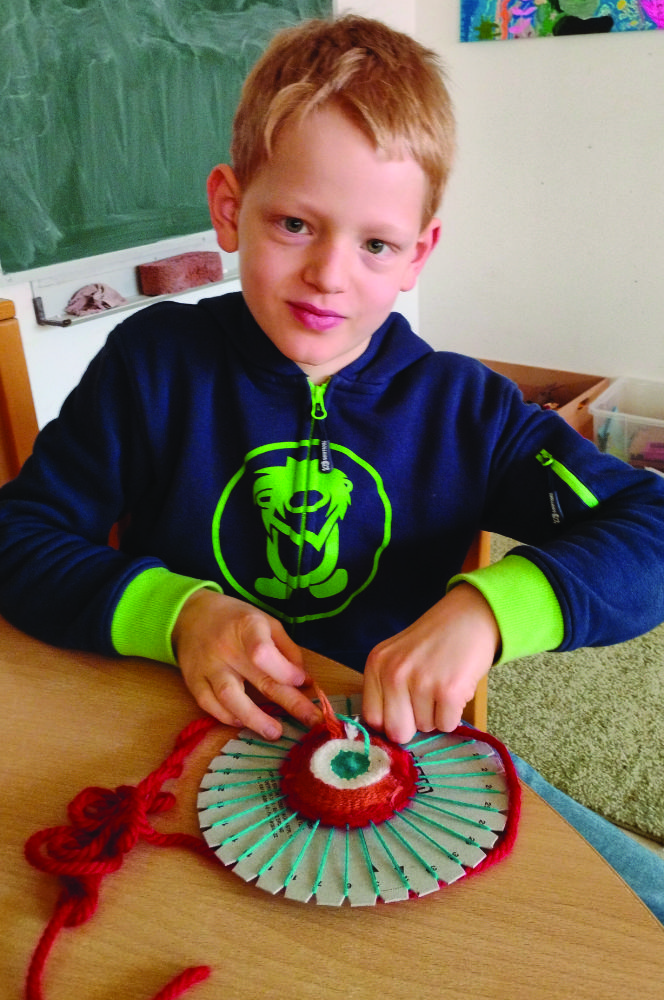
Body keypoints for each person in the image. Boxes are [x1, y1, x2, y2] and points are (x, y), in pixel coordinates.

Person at [1, 17, 664, 919]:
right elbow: (20, 536)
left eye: (375, 245)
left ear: (418, 253)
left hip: (404, 762)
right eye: (294, 224)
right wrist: (177, 613)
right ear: (230, 208)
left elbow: (651, 530)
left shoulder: (464, 409)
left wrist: (490, 609)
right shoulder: (152, 367)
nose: (328, 274)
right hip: (180, 735)